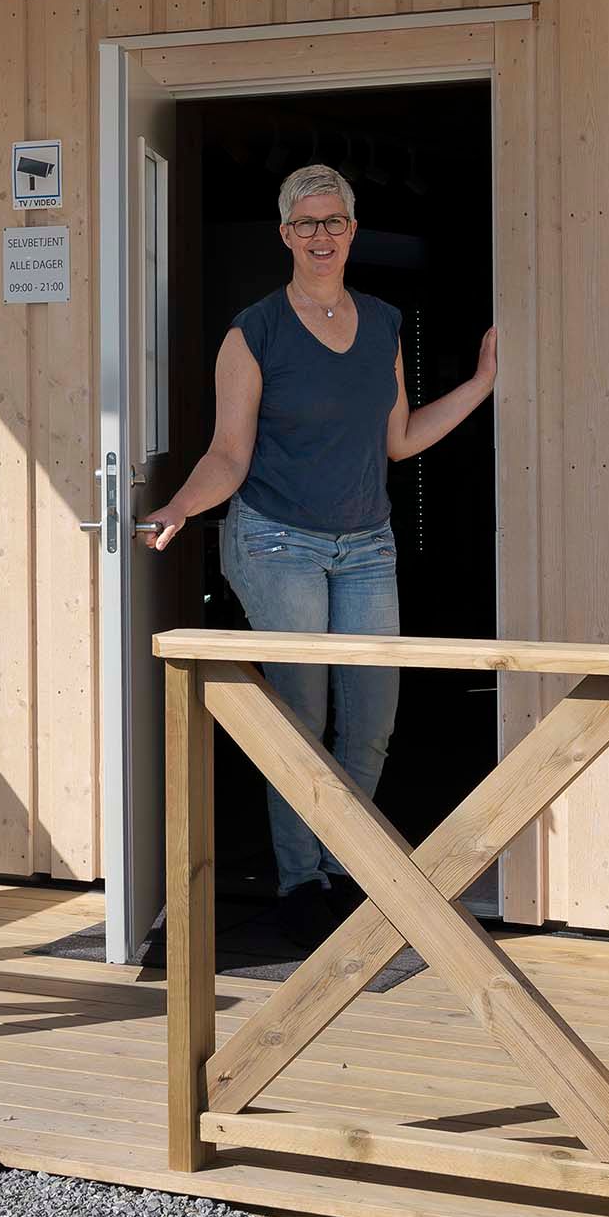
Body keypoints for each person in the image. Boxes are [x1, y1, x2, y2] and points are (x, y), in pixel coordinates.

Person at [139, 163, 496, 947]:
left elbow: (398, 440)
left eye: (333, 220)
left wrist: (479, 384)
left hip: (367, 544)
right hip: (276, 539)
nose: (321, 235)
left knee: (370, 721)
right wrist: (179, 506)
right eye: (305, 223)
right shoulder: (254, 332)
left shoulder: (383, 324)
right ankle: (301, 882)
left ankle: (345, 864)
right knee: (301, 720)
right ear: (285, 234)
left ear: (352, 230)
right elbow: (227, 455)